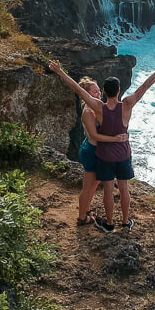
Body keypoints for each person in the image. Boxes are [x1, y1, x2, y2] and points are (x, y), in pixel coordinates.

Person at [49, 56, 155, 232]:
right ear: (119, 90)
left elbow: (77, 89)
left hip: (105, 156)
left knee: (108, 190)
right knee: (124, 189)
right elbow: (145, 86)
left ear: (105, 92)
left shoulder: (99, 107)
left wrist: (60, 71)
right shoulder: (128, 104)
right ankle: (125, 222)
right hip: (123, 154)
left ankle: (108, 224)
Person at [47, 62, 130, 226]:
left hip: (99, 150)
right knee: (89, 187)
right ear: (87, 93)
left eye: (99, 90)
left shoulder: (98, 107)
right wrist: (60, 72)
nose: (98, 93)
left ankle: (87, 209)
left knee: (94, 185)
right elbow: (95, 135)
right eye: (94, 91)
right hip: (92, 150)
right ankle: (82, 217)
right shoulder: (88, 110)